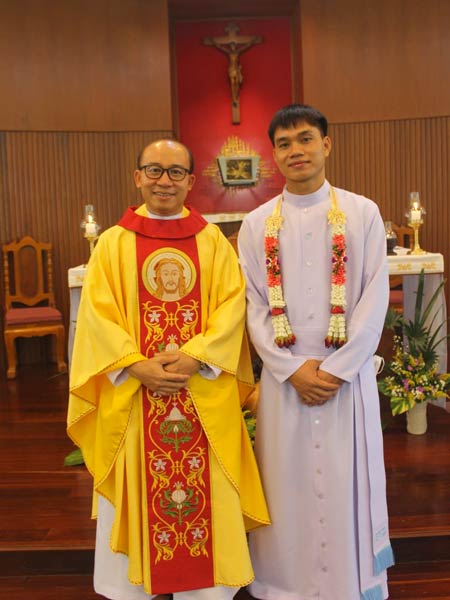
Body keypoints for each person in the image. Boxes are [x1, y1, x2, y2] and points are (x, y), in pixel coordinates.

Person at [67, 139, 269, 600]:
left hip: (201, 392)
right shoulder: (113, 243)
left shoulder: (211, 242)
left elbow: (231, 306)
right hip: (135, 396)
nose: (164, 181)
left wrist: (197, 356)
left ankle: (206, 591)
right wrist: (136, 365)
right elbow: (97, 316)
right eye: (154, 170)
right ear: (138, 176)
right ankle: (131, 587)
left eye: (176, 172)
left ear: (191, 181)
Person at [238, 104, 394, 600]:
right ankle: (283, 585)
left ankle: (350, 583)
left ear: (326, 144)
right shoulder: (255, 224)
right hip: (285, 381)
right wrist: (290, 370)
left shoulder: (363, 213)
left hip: (345, 378)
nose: (296, 151)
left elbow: (374, 295)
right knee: (287, 487)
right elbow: (255, 306)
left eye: (305, 139)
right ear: (274, 155)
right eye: (284, 144)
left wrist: (338, 370)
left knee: (346, 485)